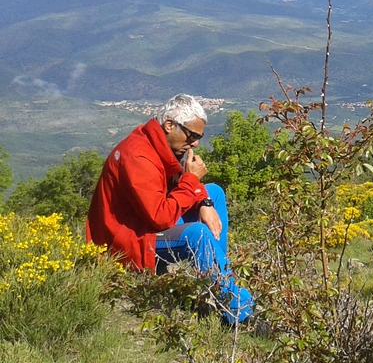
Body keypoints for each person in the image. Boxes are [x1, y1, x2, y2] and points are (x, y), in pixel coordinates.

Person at [86, 94, 253, 324]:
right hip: (129, 239)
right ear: (169, 125)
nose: (195, 144)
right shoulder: (139, 155)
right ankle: (239, 314)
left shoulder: (159, 145)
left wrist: (203, 201)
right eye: (192, 136)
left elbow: (176, 190)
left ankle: (219, 280)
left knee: (213, 193)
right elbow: (160, 217)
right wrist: (192, 182)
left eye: (198, 137)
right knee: (198, 235)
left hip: (144, 223)